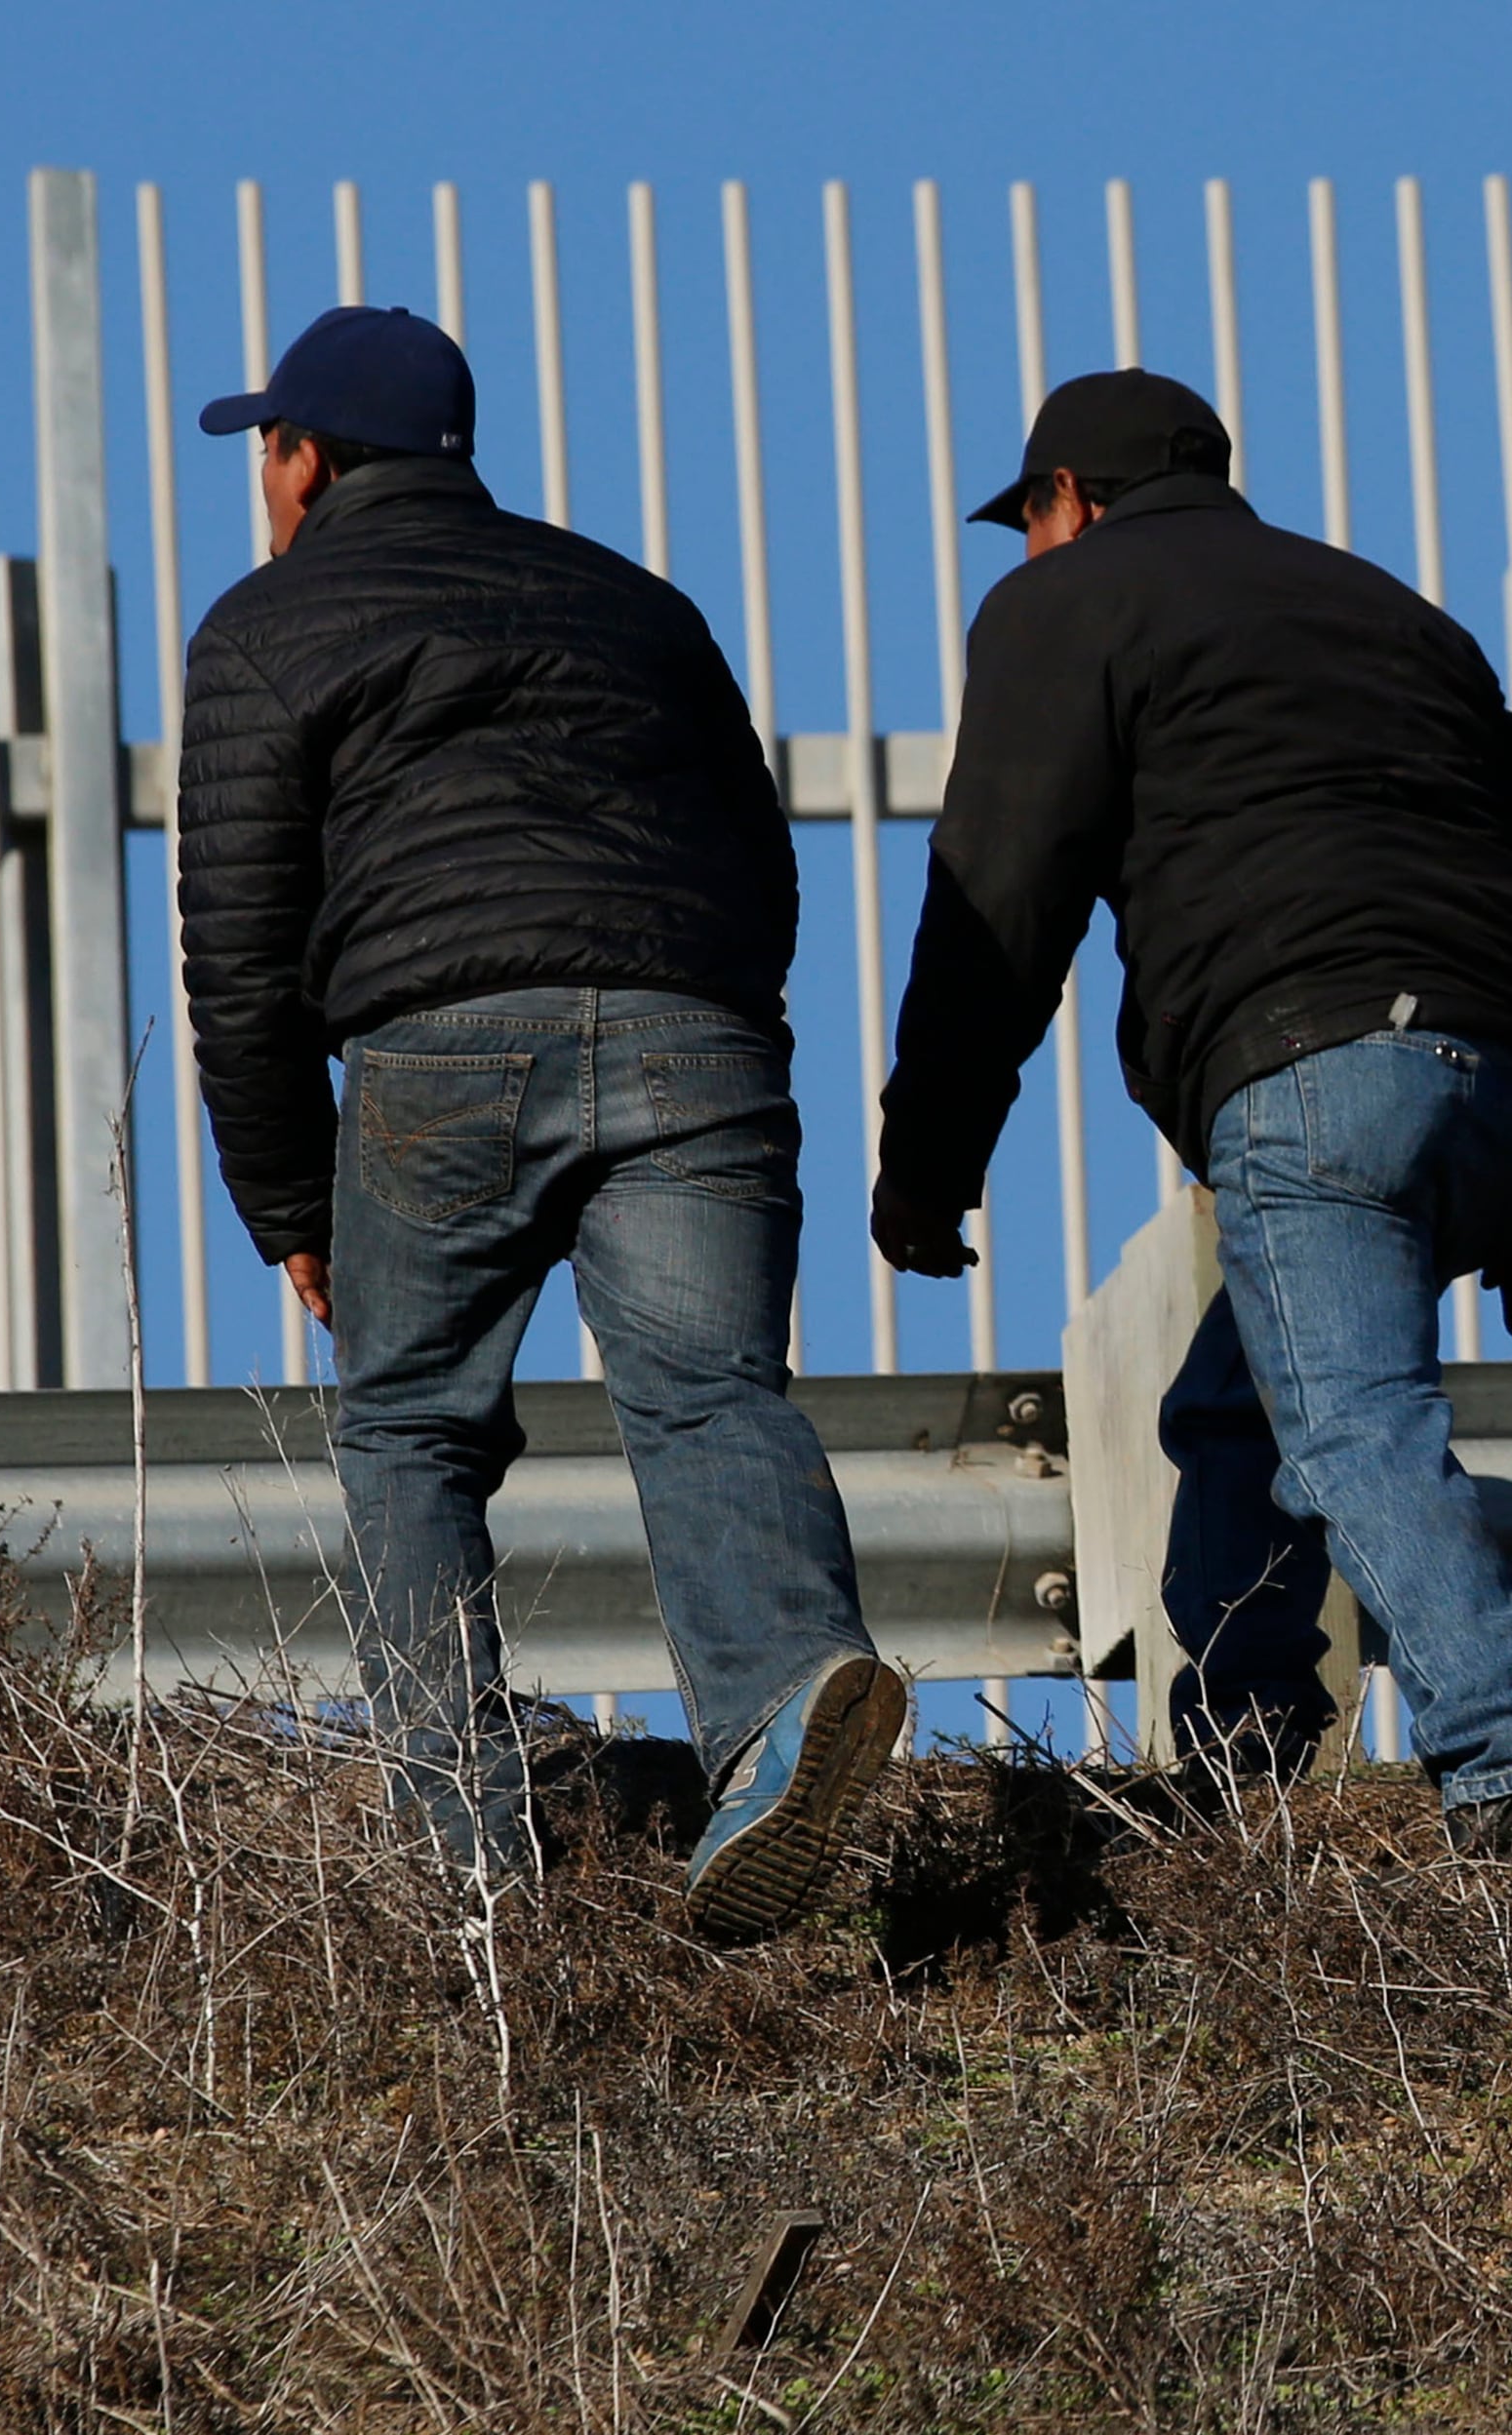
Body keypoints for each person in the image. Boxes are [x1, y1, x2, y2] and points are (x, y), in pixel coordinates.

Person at [177, 306, 902, 1939]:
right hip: (694, 1029)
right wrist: (718, 1028)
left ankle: (461, 1851)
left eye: (268, 449)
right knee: (713, 1388)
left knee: (411, 1425)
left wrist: (291, 1198)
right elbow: (760, 857)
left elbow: (237, 950)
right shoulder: (639, 604)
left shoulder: (269, 624)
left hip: (443, 1048)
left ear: (307, 460)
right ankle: (787, 1704)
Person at [871, 369, 1512, 1866]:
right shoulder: (1389, 610)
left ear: (1069, 500)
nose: (1027, 546)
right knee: (1234, 1406)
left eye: (1028, 514)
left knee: (1350, 1423)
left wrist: (927, 1163)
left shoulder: (1071, 599)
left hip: (1321, 1072)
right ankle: (1241, 1774)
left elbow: (998, 902)